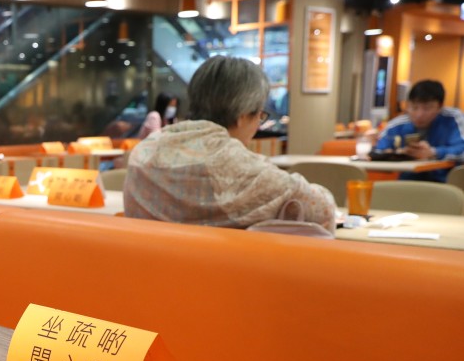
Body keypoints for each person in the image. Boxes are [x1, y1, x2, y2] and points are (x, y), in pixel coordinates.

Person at [125, 56, 335, 231]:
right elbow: (323, 208)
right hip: (219, 278)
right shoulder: (236, 166)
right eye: (259, 115)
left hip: (145, 276)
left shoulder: (145, 150)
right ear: (242, 115)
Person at [374, 80, 464, 182]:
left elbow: (462, 150)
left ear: (440, 106)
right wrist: (398, 154)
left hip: (448, 184)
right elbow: (378, 151)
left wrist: (433, 152)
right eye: (414, 107)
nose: (419, 114)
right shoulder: (398, 124)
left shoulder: (454, 118)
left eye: (427, 108)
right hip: (408, 184)